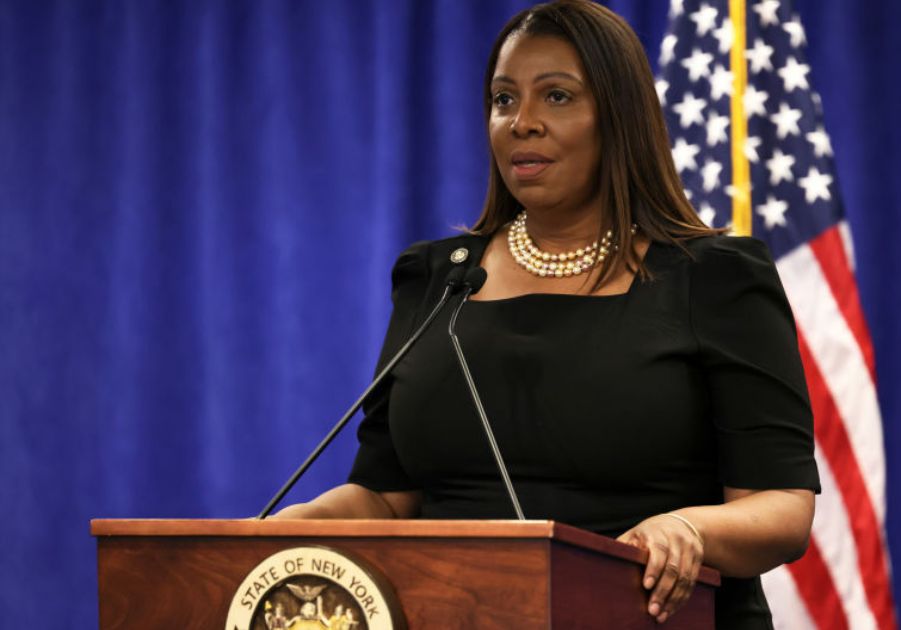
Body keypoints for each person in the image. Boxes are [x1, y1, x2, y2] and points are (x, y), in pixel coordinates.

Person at [272, 1, 819, 627]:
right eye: (504, 100)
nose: (521, 123)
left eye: (556, 97)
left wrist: (688, 528)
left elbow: (783, 507)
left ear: (618, 118)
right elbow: (385, 498)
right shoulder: (437, 278)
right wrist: (263, 538)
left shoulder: (713, 277)